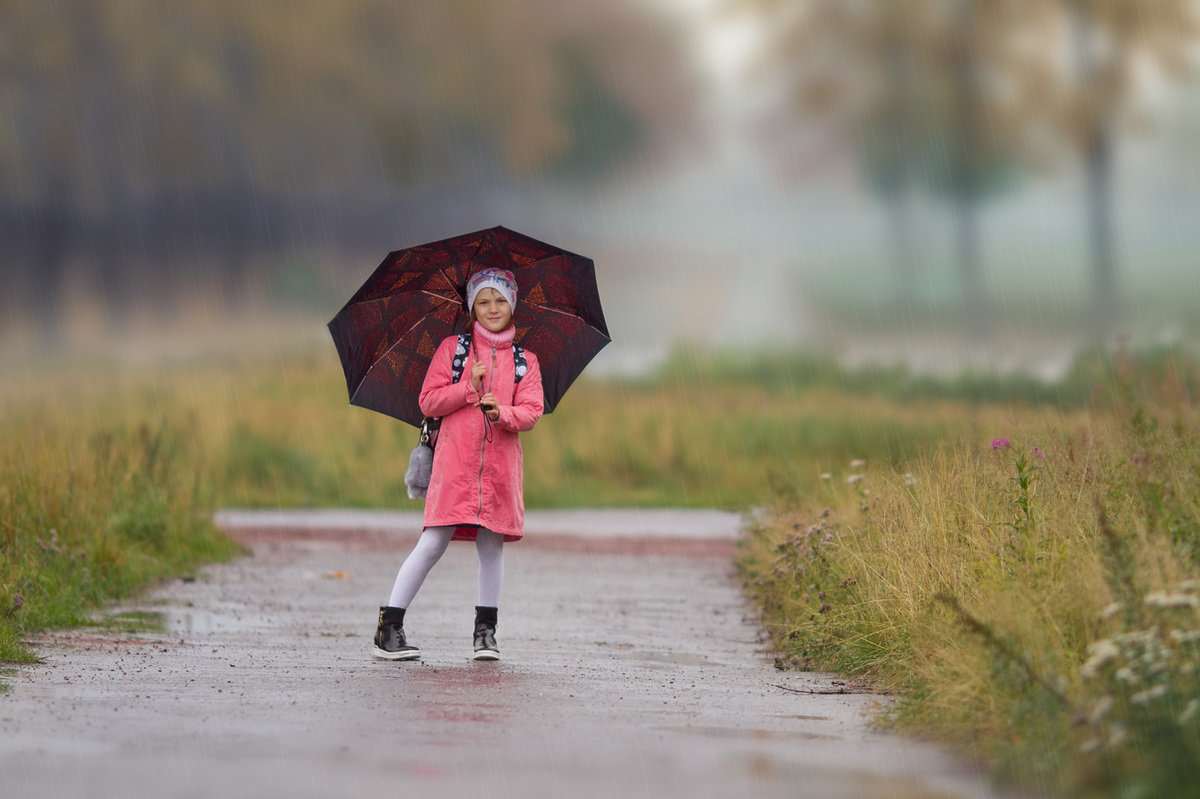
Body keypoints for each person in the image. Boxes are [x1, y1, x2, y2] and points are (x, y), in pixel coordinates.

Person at [373, 268, 543, 661]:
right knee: (433, 542)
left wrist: (503, 413)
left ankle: (485, 633)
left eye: (500, 300)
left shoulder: (525, 361)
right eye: (483, 301)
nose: (493, 308)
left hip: (500, 468)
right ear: (472, 308)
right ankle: (390, 626)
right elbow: (428, 401)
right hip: (454, 464)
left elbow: (532, 411)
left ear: (513, 304)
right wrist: (468, 387)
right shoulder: (454, 350)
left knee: (491, 543)